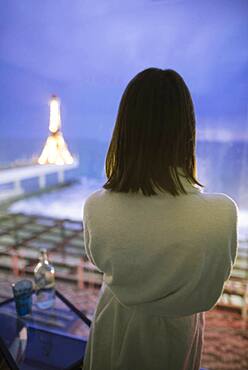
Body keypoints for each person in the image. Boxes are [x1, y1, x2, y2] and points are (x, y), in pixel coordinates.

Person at [82, 68, 238, 370]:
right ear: (186, 131)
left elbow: (104, 263)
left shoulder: (96, 207)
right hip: (177, 338)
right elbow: (210, 287)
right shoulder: (221, 214)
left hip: (113, 327)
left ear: (124, 129)